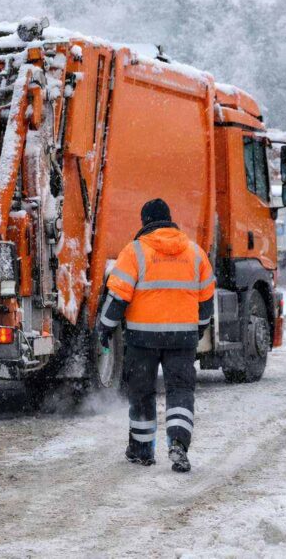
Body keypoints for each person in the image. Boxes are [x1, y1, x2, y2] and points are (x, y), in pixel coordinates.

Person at [94, 198, 215, 473]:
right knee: (180, 391)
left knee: (142, 393)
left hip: (141, 340)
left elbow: (117, 298)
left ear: (145, 222)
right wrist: (199, 327)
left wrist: (104, 329)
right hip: (182, 338)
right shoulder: (195, 253)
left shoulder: (134, 252)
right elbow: (207, 299)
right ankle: (178, 445)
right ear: (169, 220)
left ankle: (141, 451)